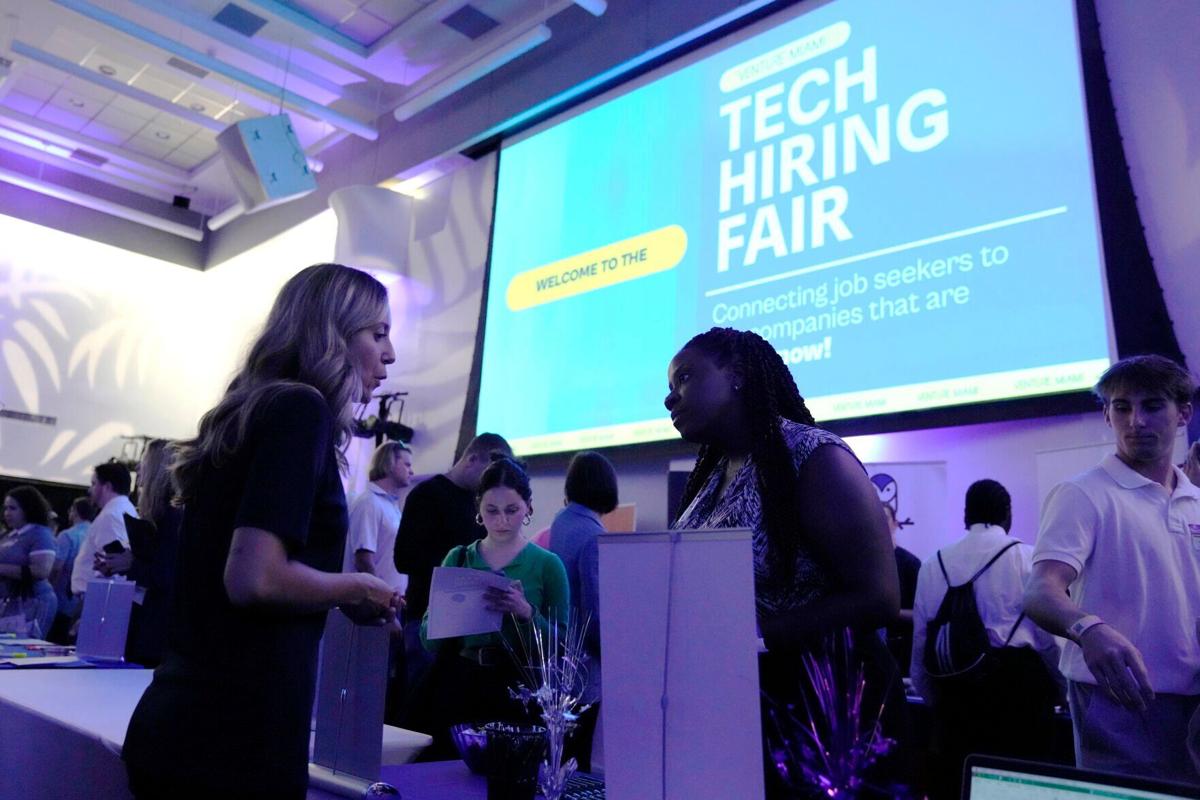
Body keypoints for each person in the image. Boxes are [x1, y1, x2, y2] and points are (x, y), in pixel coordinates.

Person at [122, 263, 402, 800]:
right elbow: (254, 579)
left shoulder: (259, 408)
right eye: (378, 333)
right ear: (333, 333)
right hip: (232, 742)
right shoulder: (302, 408)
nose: (388, 354)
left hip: (187, 724)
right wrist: (358, 588)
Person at [665, 327, 903, 796]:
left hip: (826, 715)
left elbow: (880, 598)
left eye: (685, 378)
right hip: (743, 709)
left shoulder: (813, 457)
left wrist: (751, 635)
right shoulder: (710, 478)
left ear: (736, 374)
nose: (670, 400)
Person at [1025, 354, 1200, 784]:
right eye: (1122, 407)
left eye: (1152, 405)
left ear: (1183, 414)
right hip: (1119, 700)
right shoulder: (1083, 493)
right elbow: (1040, 590)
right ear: (1107, 415)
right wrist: (1088, 629)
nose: (1136, 420)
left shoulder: (1194, 498)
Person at [911, 479, 1063, 799]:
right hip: (1021, 694)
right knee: (1022, 789)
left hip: (956, 697)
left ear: (966, 516)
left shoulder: (932, 563)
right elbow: (1049, 640)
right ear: (1008, 514)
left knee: (960, 786)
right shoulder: (1027, 558)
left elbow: (921, 644)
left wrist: (938, 703)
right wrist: (1064, 691)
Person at [411, 455, 569, 760]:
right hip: (461, 681)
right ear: (479, 511)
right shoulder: (459, 558)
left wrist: (526, 614)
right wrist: (454, 615)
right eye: (491, 511)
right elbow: (427, 638)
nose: (502, 521)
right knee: (451, 774)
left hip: (519, 688)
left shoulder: (547, 565)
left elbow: (561, 646)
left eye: (512, 510)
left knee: (507, 776)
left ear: (528, 507)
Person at [394, 432, 513, 690]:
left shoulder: (480, 505)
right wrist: (458, 568)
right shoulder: (426, 495)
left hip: (467, 628)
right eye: (488, 475)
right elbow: (404, 559)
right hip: (427, 621)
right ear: (471, 459)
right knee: (421, 707)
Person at [547, 450, 619, 772]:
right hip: (586, 669)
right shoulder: (594, 536)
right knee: (580, 761)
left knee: (559, 756)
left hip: (559, 658)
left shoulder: (561, 523)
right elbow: (596, 615)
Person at [95, 439, 184, 666]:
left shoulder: (172, 517)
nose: (138, 468)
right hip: (149, 622)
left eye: (144, 460)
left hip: (158, 627)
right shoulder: (163, 515)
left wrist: (129, 563)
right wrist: (121, 563)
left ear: (156, 467)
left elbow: (164, 575)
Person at [344, 440, 415, 723]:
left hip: (391, 606)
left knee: (387, 692)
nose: (412, 470)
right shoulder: (369, 503)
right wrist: (387, 611)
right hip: (374, 612)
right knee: (370, 691)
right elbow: (364, 558)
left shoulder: (392, 506)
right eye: (406, 463)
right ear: (388, 463)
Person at [71, 461, 137, 598]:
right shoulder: (122, 509)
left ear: (107, 487)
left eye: (94, 484)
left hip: (97, 597)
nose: (90, 490)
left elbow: (116, 569)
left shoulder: (111, 515)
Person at [0, 486, 59, 637]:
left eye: (13, 508)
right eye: (6, 508)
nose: (7, 513)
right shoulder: (10, 534)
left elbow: (41, 570)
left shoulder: (40, 534)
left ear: (28, 508)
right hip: (10, 604)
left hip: (33, 603)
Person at [47, 496, 95, 642]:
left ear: (74, 511)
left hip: (62, 601)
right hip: (87, 603)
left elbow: (56, 568)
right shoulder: (95, 533)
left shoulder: (67, 535)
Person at [885, 503, 921, 676]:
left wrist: (892, 613)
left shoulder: (911, 564)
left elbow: (921, 614)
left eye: (884, 518)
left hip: (902, 654)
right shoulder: (861, 564)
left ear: (895, 523)